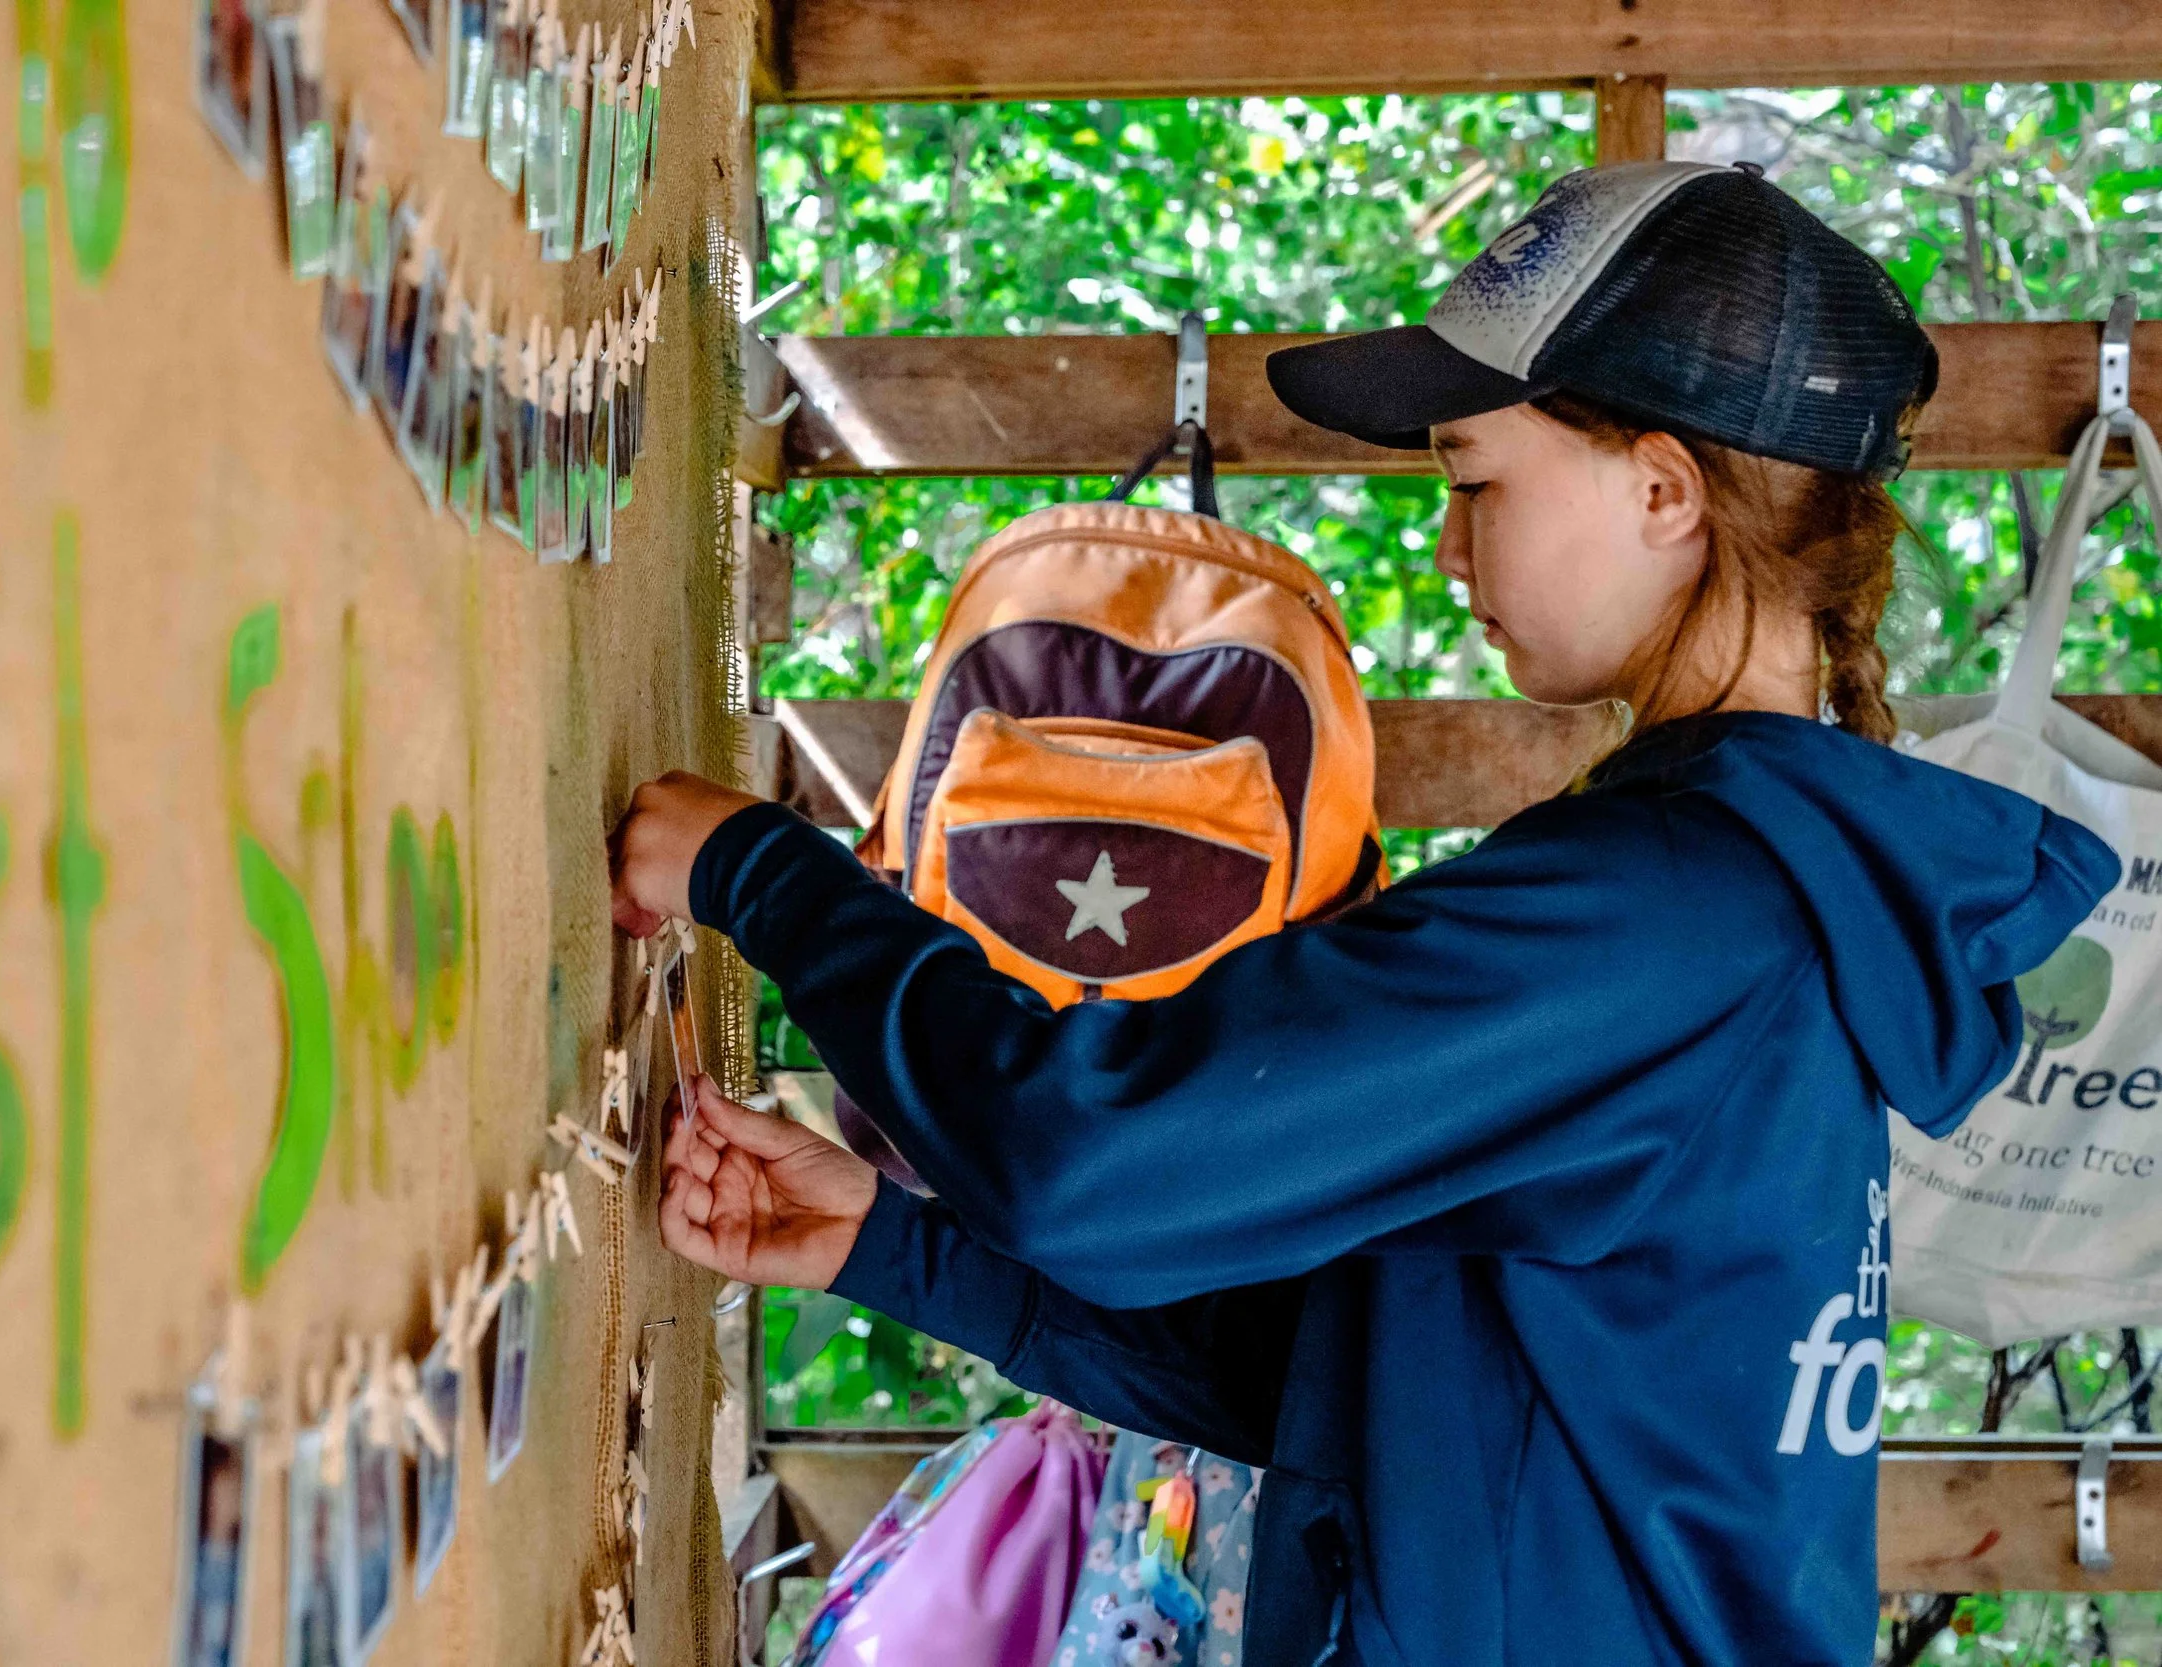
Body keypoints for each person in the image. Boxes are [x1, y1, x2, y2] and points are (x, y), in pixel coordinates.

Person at [610, 162, 2120, 1666]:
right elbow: (1373, 1401)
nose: (1452, 551)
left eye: (1475, 483)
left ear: (1665, 489)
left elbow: (1092, 1158)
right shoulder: (1773, 910)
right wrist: (896, 1245)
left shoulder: (1660, 922)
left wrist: (761, 870)